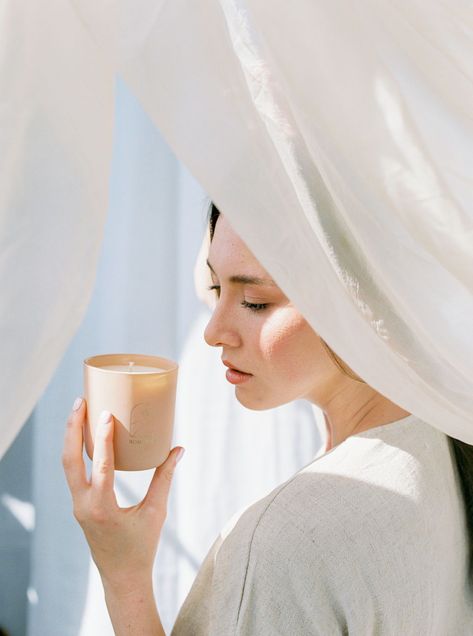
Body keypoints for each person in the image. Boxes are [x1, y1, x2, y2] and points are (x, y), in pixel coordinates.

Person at [62, 204, 473, 634]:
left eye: (255, 302)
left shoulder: (285, 541)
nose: (212, 331)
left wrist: (124, 578)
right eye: (217, 288)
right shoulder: (442, 435)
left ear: (359, 298)